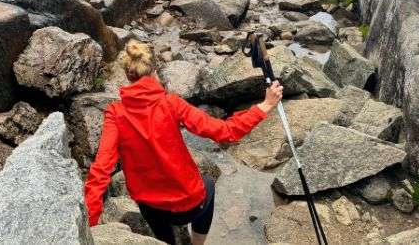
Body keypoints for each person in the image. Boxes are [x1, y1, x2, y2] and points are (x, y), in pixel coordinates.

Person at [84, 40, 284, 244]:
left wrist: (87, 227)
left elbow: (100, 171)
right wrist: (266, 105)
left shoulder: (115, 113)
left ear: (128, 76)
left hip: (150, 207)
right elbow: (225, 132)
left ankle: (165, 240)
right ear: (155, 71)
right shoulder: (172, 103)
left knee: (151, 210)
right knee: (208, 185)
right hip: (188, 206)